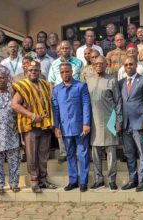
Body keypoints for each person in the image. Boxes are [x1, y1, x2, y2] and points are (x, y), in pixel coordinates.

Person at [12, 61, 57, 193]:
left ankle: (43, 179)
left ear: (40, 71)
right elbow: (15, 105)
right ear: (26, 71)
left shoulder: (44, 84)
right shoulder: (23, 85)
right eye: (31, 70)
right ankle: (34, 180)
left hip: (44, 125)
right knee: (31, 155)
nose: (33, 72)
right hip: (30, 126)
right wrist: (31, 115)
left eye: (36, 70)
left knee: (43, 154)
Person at [52, 62, 91, 192]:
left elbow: (86, 105)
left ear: (71, 72)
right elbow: (56, 109)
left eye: (67, 71)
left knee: (83, 154)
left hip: (80, 127)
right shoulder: (56, 89)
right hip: (65, 128)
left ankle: (84, 181)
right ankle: (73, 180)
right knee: (70, 155)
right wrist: (56, 126)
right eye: (62, 72)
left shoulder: (80, 86)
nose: (65, 74)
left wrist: (86, 123)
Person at [85, 56, 122, 191]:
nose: (99, 65)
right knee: (95, 152)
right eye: (97, 63)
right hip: (93, 122)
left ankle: (112, 180)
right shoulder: (88, 81)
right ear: (93, 65)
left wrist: (118, 121)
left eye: (102, 63)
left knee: (111, 152)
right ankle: (98, 180)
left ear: (106, 65)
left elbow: (118, 102)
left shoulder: (112, 80)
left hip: (109, 120)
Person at [120, 57, 143, 192]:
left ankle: (142, 181)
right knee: (129, 154)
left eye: (131, 64)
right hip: (125, 124)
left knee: (142, 153)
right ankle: (132, 180)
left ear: (136, 65)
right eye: (126, 64)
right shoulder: (121, 82)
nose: (129, 66)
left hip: (139, 123)